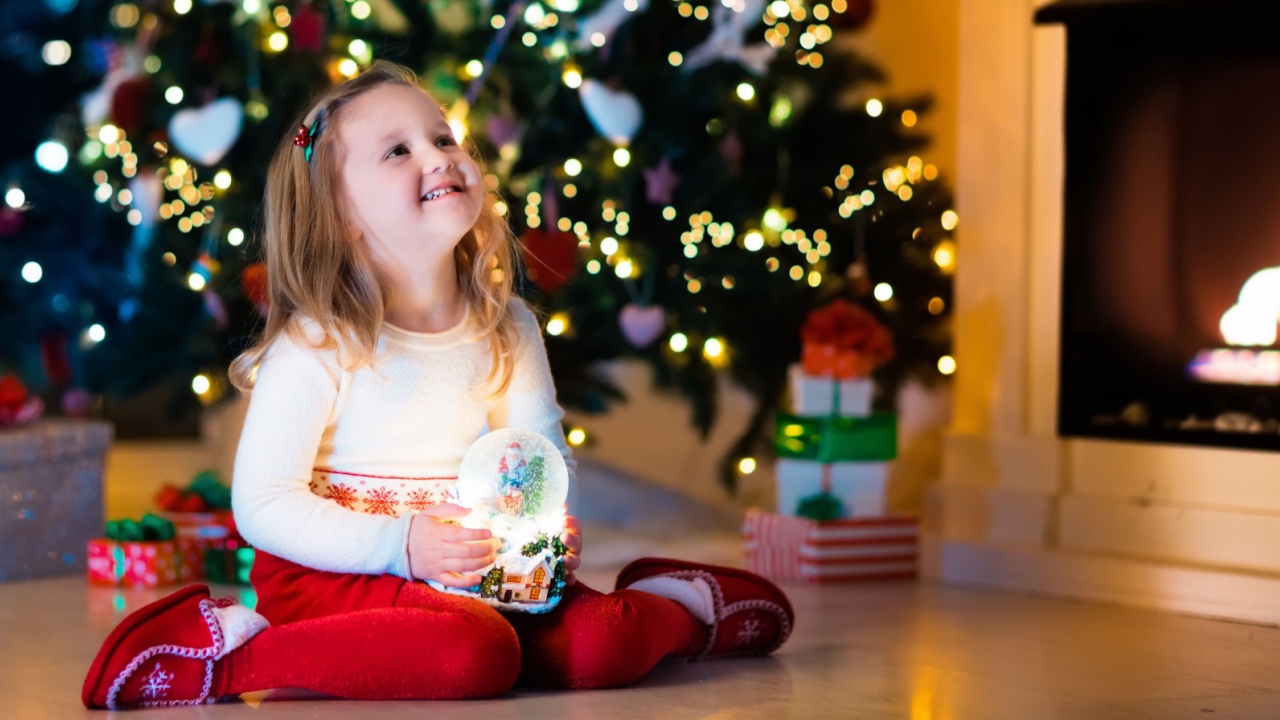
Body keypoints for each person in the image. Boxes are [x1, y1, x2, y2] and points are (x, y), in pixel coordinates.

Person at [81, 61, 793, 711]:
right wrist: (402, 546)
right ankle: (220, 658)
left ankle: (681, 608)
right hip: (335, 572)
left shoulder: (505, 324)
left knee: (597, 644)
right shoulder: (318, 343)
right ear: (339, 215)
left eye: (444, 138)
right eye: (399, 151)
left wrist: (542, 533)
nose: (440, 156)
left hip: (469, 565)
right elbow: (263, 505)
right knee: (473, 655)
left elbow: (540, 459)